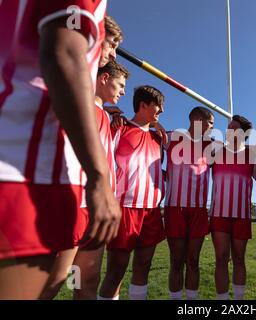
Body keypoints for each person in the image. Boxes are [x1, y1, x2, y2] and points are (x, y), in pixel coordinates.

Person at [0, 1, 120, 299]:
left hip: (31, 165)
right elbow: (64, 54)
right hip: (22, 167)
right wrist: (99, 177)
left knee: (61, 283)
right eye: (113, 43)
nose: (113, 53)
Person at [41, 60, 129, 299]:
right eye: (120, 85)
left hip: (97, 209)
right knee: (56, 280)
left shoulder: (109, 118)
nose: (123, 92)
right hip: (74, 203)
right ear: (103, 78)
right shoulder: (77, 103)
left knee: (87, 280)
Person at [98, 85, 166, 300]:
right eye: (158, 106)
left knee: (143, 267)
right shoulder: (120, 127)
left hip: (152, 210)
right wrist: (113, 111)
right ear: (143, 105)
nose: (162, 111)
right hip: (124, 208)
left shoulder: (159, 138)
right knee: (116, 271)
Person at [164, 107, 214, 300]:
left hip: (198, 211)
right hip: (175, 208)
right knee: (176, 261)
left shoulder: (212, 146)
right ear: (195, 119)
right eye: (210, 122)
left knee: (193, 261)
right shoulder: (171, 137)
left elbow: (240, 156)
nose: (211, 127)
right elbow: (145, 130)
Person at [210, 115, 256, 300]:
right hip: (219, 214)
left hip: (241, 215)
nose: (228, 130)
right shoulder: (216, 150)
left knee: (239, 259)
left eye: (233, 127)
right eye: (228, 127)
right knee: (221, 260)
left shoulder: (252, 154)